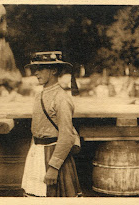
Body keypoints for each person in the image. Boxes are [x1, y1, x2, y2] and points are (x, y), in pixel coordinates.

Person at [21, 51, 82, 197]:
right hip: (37, 153)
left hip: (53, 155)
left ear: (54, 70)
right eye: (35, 69)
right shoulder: (40, 95)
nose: (36, 73)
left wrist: (54, 167)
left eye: (41, 69)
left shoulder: (61, 98)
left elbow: (67, 136)